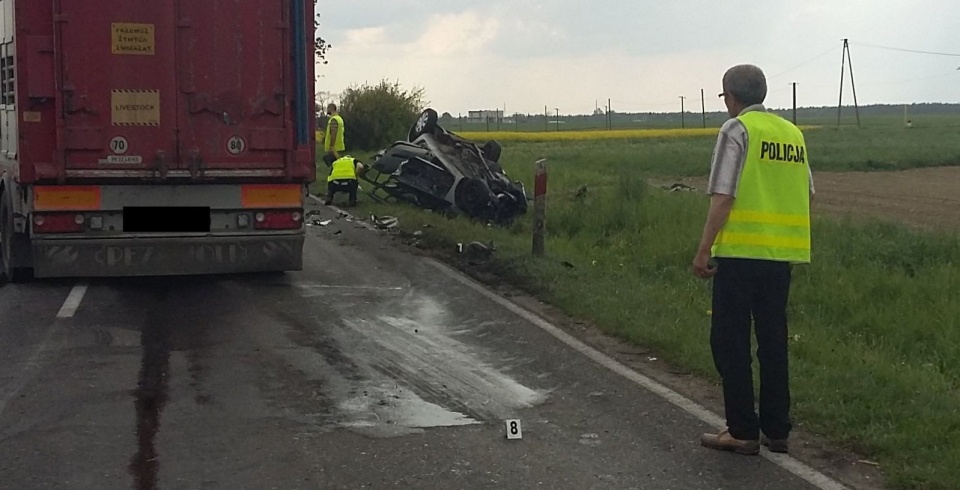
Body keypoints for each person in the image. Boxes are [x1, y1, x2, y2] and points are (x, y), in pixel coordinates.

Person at [693, 64, 815, 456]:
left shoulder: (737, 129)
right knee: (773, 340)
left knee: (730, 341)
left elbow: (724, 195)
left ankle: (742, 429)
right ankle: (777, 429)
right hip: (781, 255)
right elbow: (808, 192)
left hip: (740, 253)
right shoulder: (791, 132)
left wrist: (703, 249)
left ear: (730, 96)